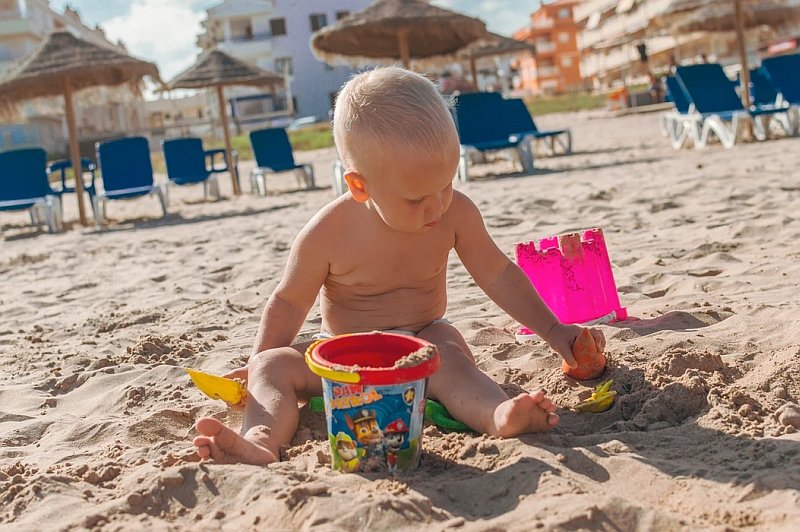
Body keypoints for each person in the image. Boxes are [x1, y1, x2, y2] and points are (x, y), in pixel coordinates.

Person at [192, 66, 606, 465]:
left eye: (446, 184)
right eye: (416, 198)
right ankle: (260, 441)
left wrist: (553, 330)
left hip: (423, 345)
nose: (436, 206)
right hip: (343, 358)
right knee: (270, 366)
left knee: (452, 355)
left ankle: (498, 415)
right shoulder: (328, 232)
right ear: (360, 185)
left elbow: (497, 273)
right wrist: (258, 361)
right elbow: (288, 302)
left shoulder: (456, 213)